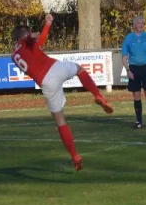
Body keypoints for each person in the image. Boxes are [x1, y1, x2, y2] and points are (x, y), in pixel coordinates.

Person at [11, 13, 114, 171]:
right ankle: (98, 96)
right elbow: (34, 38)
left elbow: (37, 44)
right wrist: (43, 27)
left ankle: (74, 156)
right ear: (23, 34)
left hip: (45, 83)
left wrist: (44, 28)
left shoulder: (14, 55)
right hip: (54, 68)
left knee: (60, 120)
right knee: (79, 70)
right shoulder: (26, 40)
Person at [121, 16, 146, 129]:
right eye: (139, 23)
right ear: (134, 25)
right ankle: (139, 121)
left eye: (142, 23)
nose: (141, 25)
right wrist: (128, 70)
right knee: (136, 95)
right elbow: (124, 56)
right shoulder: (128, 38)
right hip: (134, 69)